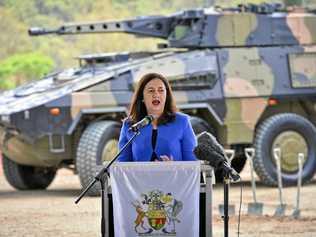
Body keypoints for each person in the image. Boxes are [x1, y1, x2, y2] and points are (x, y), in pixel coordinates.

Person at [118, 73, 197, 162]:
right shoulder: (130, 125)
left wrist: (175, 168)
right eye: (151, 91)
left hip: (174, 176)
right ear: (142, 97)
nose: (156, 94)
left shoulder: (182, 122)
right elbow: (122, 166)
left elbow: (193, 164)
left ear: (166, 96)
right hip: (140, 176)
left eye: (161, 90)